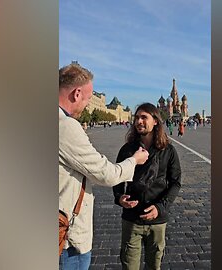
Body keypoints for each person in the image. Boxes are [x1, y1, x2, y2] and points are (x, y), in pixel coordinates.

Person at [59, 63, 149, 270]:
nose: (88, 103)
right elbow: (105, 174)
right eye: (89, 98)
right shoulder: (65, 126)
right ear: (77, 93)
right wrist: (134, 161)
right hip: (66, 240)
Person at [113, 103, 182, 270]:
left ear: (156, 121)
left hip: (157, 221)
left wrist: (160, 207)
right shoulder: (127, 150)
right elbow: (117, 177)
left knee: (154, 266)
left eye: (144, 117)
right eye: (137, 118)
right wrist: (119, 197)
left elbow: (175, 182)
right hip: (132, 219)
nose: (139, 121)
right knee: (129, 266)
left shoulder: (168, 150)